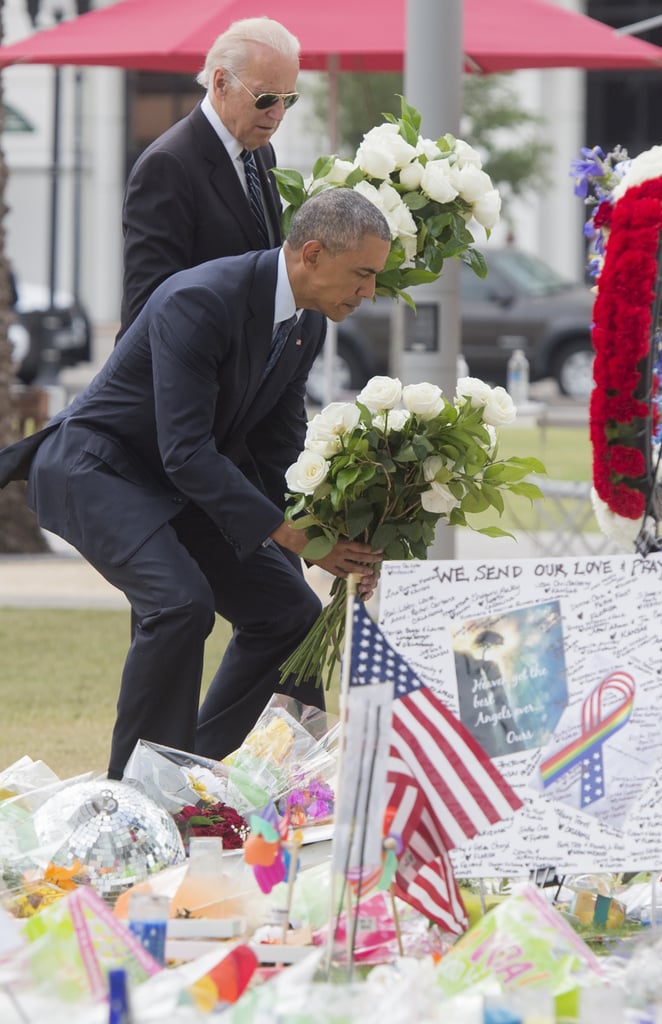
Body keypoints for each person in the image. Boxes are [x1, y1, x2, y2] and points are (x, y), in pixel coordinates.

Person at [0, 188, 391, 779]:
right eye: (362, 275)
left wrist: (330, 533)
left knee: (291, 614)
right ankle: (135, 799)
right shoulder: (200, 299)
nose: (370, 292)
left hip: (180, 482)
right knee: (180, 604)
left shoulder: (308, 322)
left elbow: (279, 446)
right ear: (312, 254)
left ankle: (198, 776)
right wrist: (293, 539)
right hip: (96, 468)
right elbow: (185, 450)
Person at [118, 16, 300, 338]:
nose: (278, 114)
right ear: (220, 84)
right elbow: (150, 305)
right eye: (266, 98)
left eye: (289, 99)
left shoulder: (260, 151)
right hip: (180, 377)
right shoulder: (167, 165)